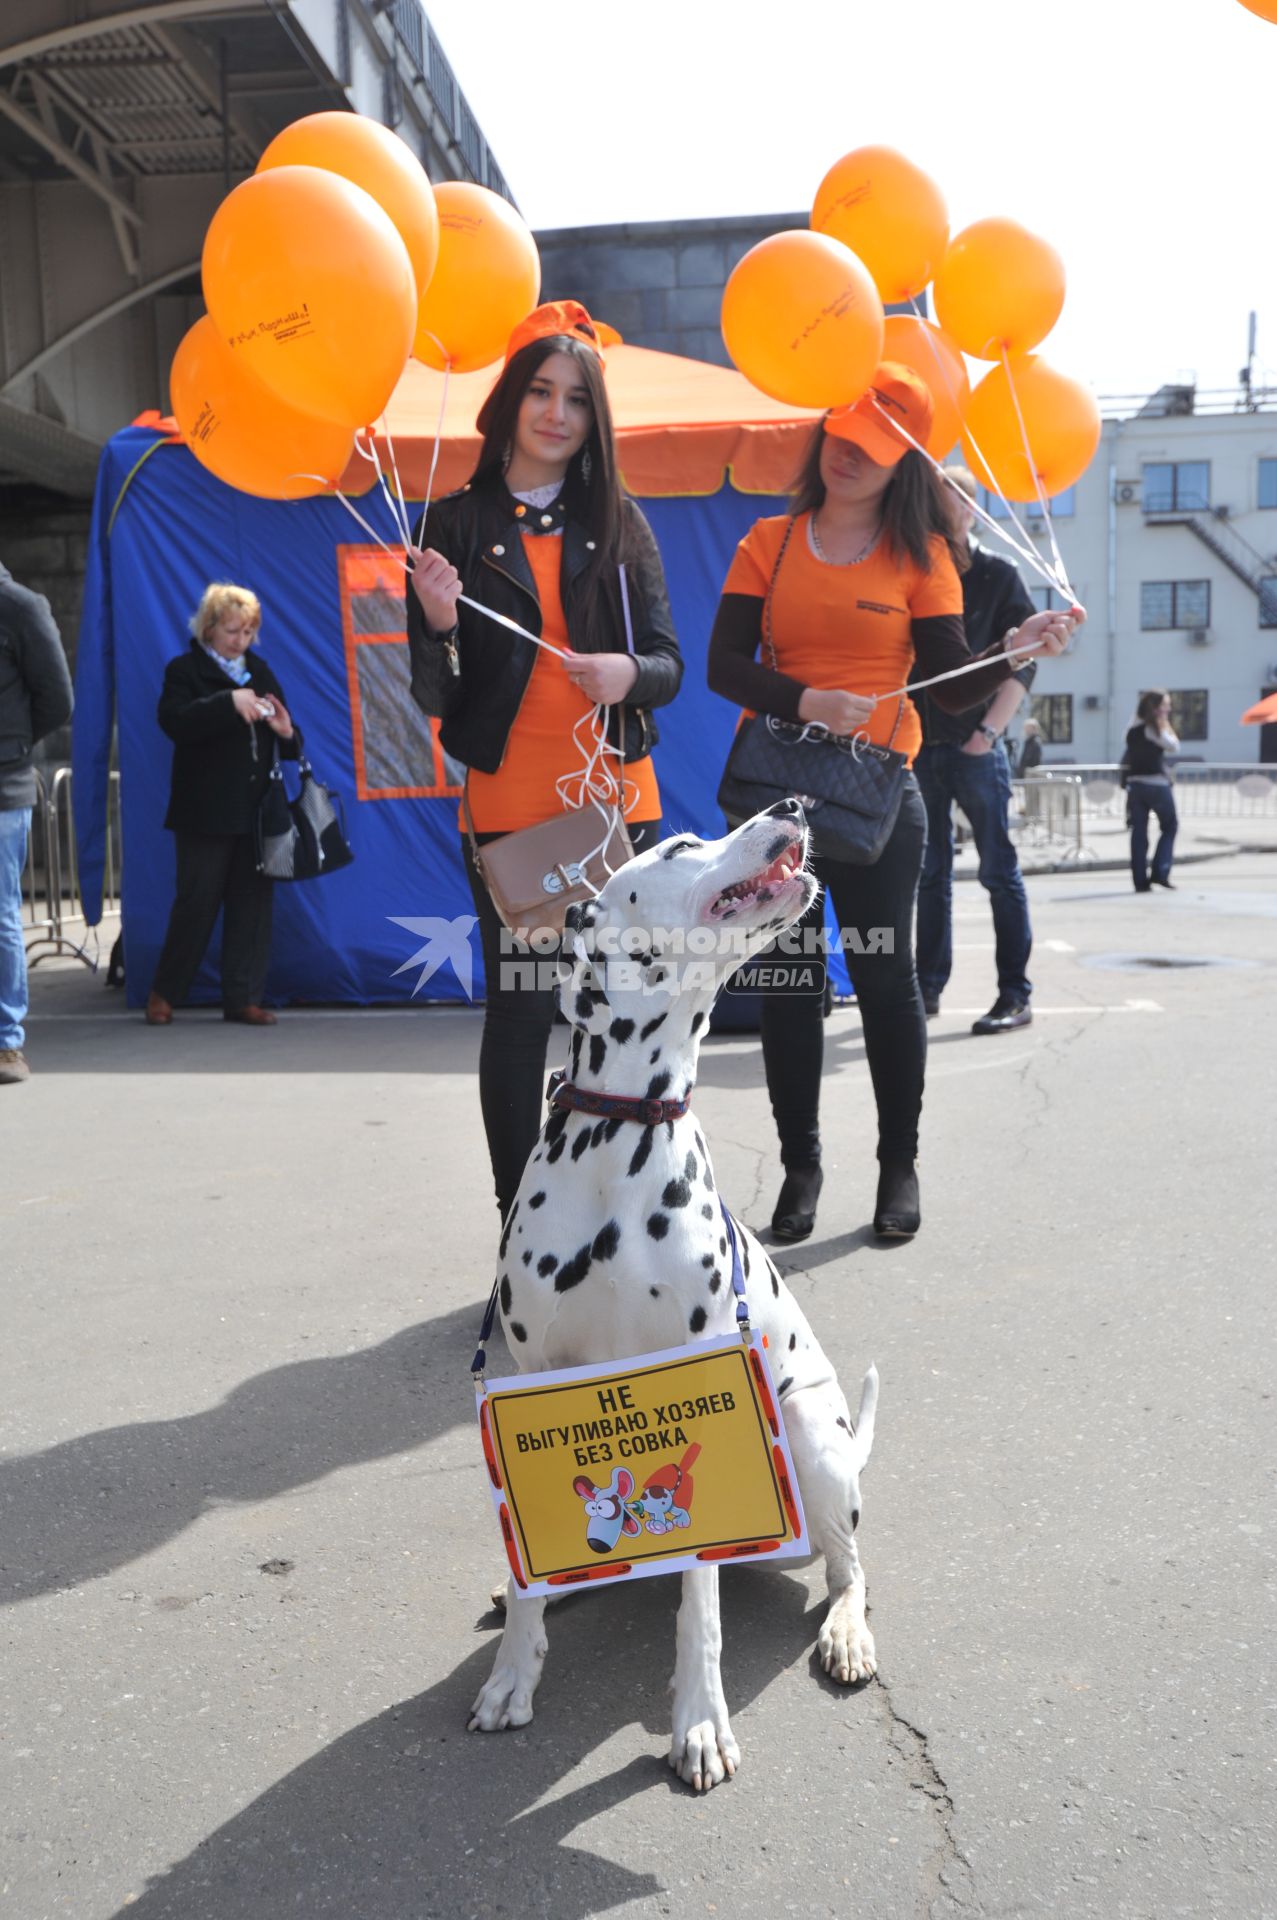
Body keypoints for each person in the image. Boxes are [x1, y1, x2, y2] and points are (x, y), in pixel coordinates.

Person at [707, 364, 1081, 1243]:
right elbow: (724, 665)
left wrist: (1013, 647)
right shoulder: (770, 538)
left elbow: (950, 691)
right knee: (790, 986)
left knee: (885, 982)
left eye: (872, 451)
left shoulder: (923, 560)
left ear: (903, 464)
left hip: (880, 802)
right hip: (779, 801)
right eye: (840, 437)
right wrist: (804, 701)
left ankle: (896, 1167)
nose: (847, 456)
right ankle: (799, 1166)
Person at [406, 300, 683, 1220]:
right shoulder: (451, 522)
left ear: (592, 419)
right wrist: (442, 622)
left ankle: (624, 1208)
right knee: (524, 1015)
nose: (556, 412)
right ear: (510, 404)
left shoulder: (621, 522)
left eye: (574, 398)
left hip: (616, 807)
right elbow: (435, 692)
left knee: (624, 1009)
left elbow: (669, 667)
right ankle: (518, 1221)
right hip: (512, 810)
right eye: (539, 392)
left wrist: (626, 672)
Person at [914, 465, 1040, 1034]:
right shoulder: (912, 571)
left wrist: (986, 733)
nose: (948, 512)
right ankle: (926, 991)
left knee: (998, 872)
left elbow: (1026, 659)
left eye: (958, 501)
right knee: (929, 874)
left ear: (972, 508)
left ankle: (1015, 994)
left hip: (977, 747)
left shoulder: (998, 573)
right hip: (918, 747)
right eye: (937, 503)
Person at [145, 584, 298, 1027]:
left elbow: (287, 738)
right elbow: (174, 722)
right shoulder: (184, 670)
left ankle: (243, 998)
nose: (241, 640)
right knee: (196, 903)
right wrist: (227, 702)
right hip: (205, 811)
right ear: (209, 628)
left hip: (255, 811)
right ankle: (164, 993)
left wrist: (287, 733)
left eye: (249, 631)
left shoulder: (260, 670)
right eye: (233, 630)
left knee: (252, 906)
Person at [0, 562, 73, 1086]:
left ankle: (6, 1044)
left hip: (2, 786)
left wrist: (14, 751)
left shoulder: (22, 607)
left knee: (1, 914)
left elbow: (57, 701)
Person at [1125, 689, 1178, 891]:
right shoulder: (1154, 728)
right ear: (1157, 708)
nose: (1169, 709)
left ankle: (1140, 881)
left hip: (1135, 786)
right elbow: (1174, 746)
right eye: (1166, 705)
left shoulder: (1133, 727)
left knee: (1138, 833)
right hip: (1156, 785)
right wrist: (1165, 722)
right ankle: (1160, 871)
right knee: (1170, 826)